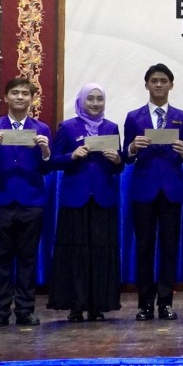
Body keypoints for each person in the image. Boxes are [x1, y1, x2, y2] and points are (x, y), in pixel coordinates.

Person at [0, 77, 53, 328]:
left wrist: (46, 152)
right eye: (15, 93)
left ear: (32, 99)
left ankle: (24, 310)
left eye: (25, 93)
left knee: (27, 259)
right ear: (6, 97)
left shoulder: (41, 129)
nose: (20, 97)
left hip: (31, 202)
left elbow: (47, 168)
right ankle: (0, 311)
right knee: (0, 259)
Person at [48, 83, 123, 322]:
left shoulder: (111, 127)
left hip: (103, 198)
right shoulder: (68, 127)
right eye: (90, 99)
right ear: (81, 101)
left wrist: (117, 159)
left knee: (101, 253)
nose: (95, 103)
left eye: (99, 99)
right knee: (75, 253)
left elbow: (119, 166)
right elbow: (53, 161)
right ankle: (76, 306)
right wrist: (71, 156)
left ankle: (97, 305)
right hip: (75, 199)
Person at [123, 63, 183, 321]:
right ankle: (145, 304)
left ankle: (165, 303)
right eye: (154, 80)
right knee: (144, 247)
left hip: (172, 189)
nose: (159, 84)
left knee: (169, 247)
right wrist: (132, 147)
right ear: (147, 85)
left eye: (164, 80)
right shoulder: (134, 117)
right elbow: (126, 157)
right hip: (144, 189)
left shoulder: (181, 116)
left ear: (171, 85)